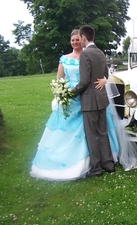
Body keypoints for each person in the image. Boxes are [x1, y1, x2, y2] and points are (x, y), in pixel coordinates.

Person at [30, 29, 90, 181]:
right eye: (72, 40)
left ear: (82, 40)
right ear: (70, 42)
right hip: (68, 97)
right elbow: (59, 79)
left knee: (85, 126)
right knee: (63, 127)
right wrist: (60, 93)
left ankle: (84, 160)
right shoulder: (64, 59)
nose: (75, 42)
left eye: (77, 39)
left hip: (85, 95)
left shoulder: (87, 56)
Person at [72, 25, 115, 178]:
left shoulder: (85, 54)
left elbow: (84, 81)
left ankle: (96, 169)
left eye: (80, 38)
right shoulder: (101, 53)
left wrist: (71, 93)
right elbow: (105, 75)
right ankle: (108, 164)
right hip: (102, 99)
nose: (80, 41)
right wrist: (104, 81)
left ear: (83, 38)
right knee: (102, 133)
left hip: (89, 101)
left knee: (92, 135)